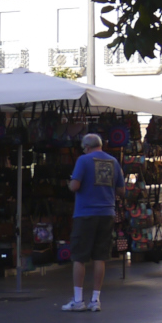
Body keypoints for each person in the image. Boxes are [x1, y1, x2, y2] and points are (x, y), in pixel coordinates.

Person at [61, 131, 120, 311]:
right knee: (100, 257)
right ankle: (95, 300)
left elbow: (75, 186)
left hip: (85, 213)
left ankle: (78, 300)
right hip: (107, 213)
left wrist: (69, 183)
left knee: (79, 257)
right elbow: (122, 190)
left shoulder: (83, 160)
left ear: (86, 147)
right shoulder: (113, 161)